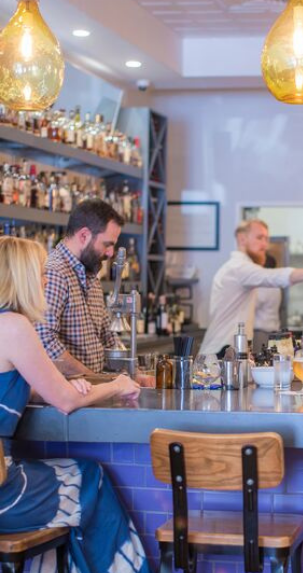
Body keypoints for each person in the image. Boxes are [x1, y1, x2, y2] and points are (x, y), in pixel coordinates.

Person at [0, 236, 150, 573]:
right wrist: (115, 386)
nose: (43, 280)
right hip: (4, 493)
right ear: (22, 276)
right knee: (89, 477)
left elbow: (19, 387)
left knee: (65, 505)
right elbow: (66, 403)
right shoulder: (14, 326)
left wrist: (60, 384)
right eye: (39, 272)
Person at [200, 219, 303, 355]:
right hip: (220, 352)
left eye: (266, 239)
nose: (265, 245)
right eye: (260, 238)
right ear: (242, 239)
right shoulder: (238, 268)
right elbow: (275, 277)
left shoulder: (240, 267)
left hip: (232, 351)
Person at [36, 199, 124, 376]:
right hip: (65, 397)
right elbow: (44, 341)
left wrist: (133, 373)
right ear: (84, 236)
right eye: (107, 244)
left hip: (91, 393)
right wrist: (93, 379)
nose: (110, 253)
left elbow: (107, 335)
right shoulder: (55, 273)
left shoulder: (90, 273)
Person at [253, 253, 282, 352]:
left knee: (260, 363)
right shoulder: (275, 284)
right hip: (273, 331)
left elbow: (254, 305)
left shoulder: (263, 285)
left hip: (261, 333)